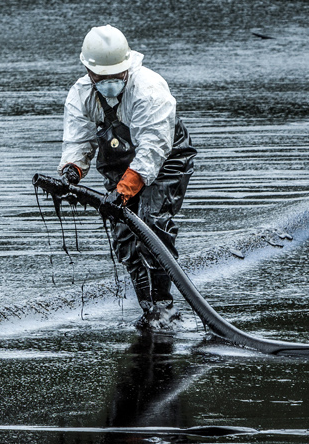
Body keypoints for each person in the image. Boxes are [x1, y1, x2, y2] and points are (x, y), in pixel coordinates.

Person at [59, 25, 196, 333]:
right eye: (101, 78)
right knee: (125, 238)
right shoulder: (81, 94)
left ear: (126, 67)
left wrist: (123, 192)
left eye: (115, 77)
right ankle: (148, 309)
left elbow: (152, 150)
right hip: (118, 162)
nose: (109, 83)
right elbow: (79, 142)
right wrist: (72, 171)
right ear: (89, 71)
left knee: (152, 225)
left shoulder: (148, 89)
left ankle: (165, 308)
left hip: (166, 160)